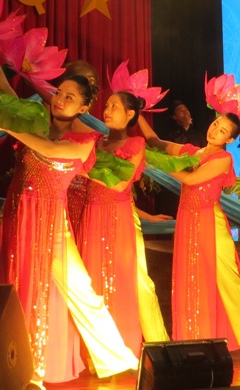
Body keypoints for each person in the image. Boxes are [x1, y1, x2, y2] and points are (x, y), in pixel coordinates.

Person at [0, 39, 137, 385]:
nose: (60, 100)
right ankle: (19, 362)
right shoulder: (35, 121)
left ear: (83, 108)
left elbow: (49, 149)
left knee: (77, 289)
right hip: (18, 214)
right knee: (17, 286)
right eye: (59, 93)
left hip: (51, 221)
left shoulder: (86, 141)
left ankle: (116, 358)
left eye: (70, 97)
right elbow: (5, 90)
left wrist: (6, 127)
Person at [137, 112, 240, 353]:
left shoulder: (224, 158)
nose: (215, 130)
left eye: (222, 130)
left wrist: (156, 162)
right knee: (192, 277)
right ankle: (196, 335)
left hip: (211, 222)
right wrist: (137, 114)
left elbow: (191, 179)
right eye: (216, 124)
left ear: (230, 139)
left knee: (228, 278)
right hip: (188, 221)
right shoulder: (192, 152)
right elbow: (156, 141)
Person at [75, 90, 170, 356]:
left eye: (114, 106)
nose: (107, 110)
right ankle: (93, 350)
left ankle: (121, 348)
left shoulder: (135, 144)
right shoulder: (94, 141)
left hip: (117, 219)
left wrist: (79, 168)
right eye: (106, 105)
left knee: (120, 282)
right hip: (90, 216)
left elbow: (118, 186)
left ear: (130, 114)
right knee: (91, 280)